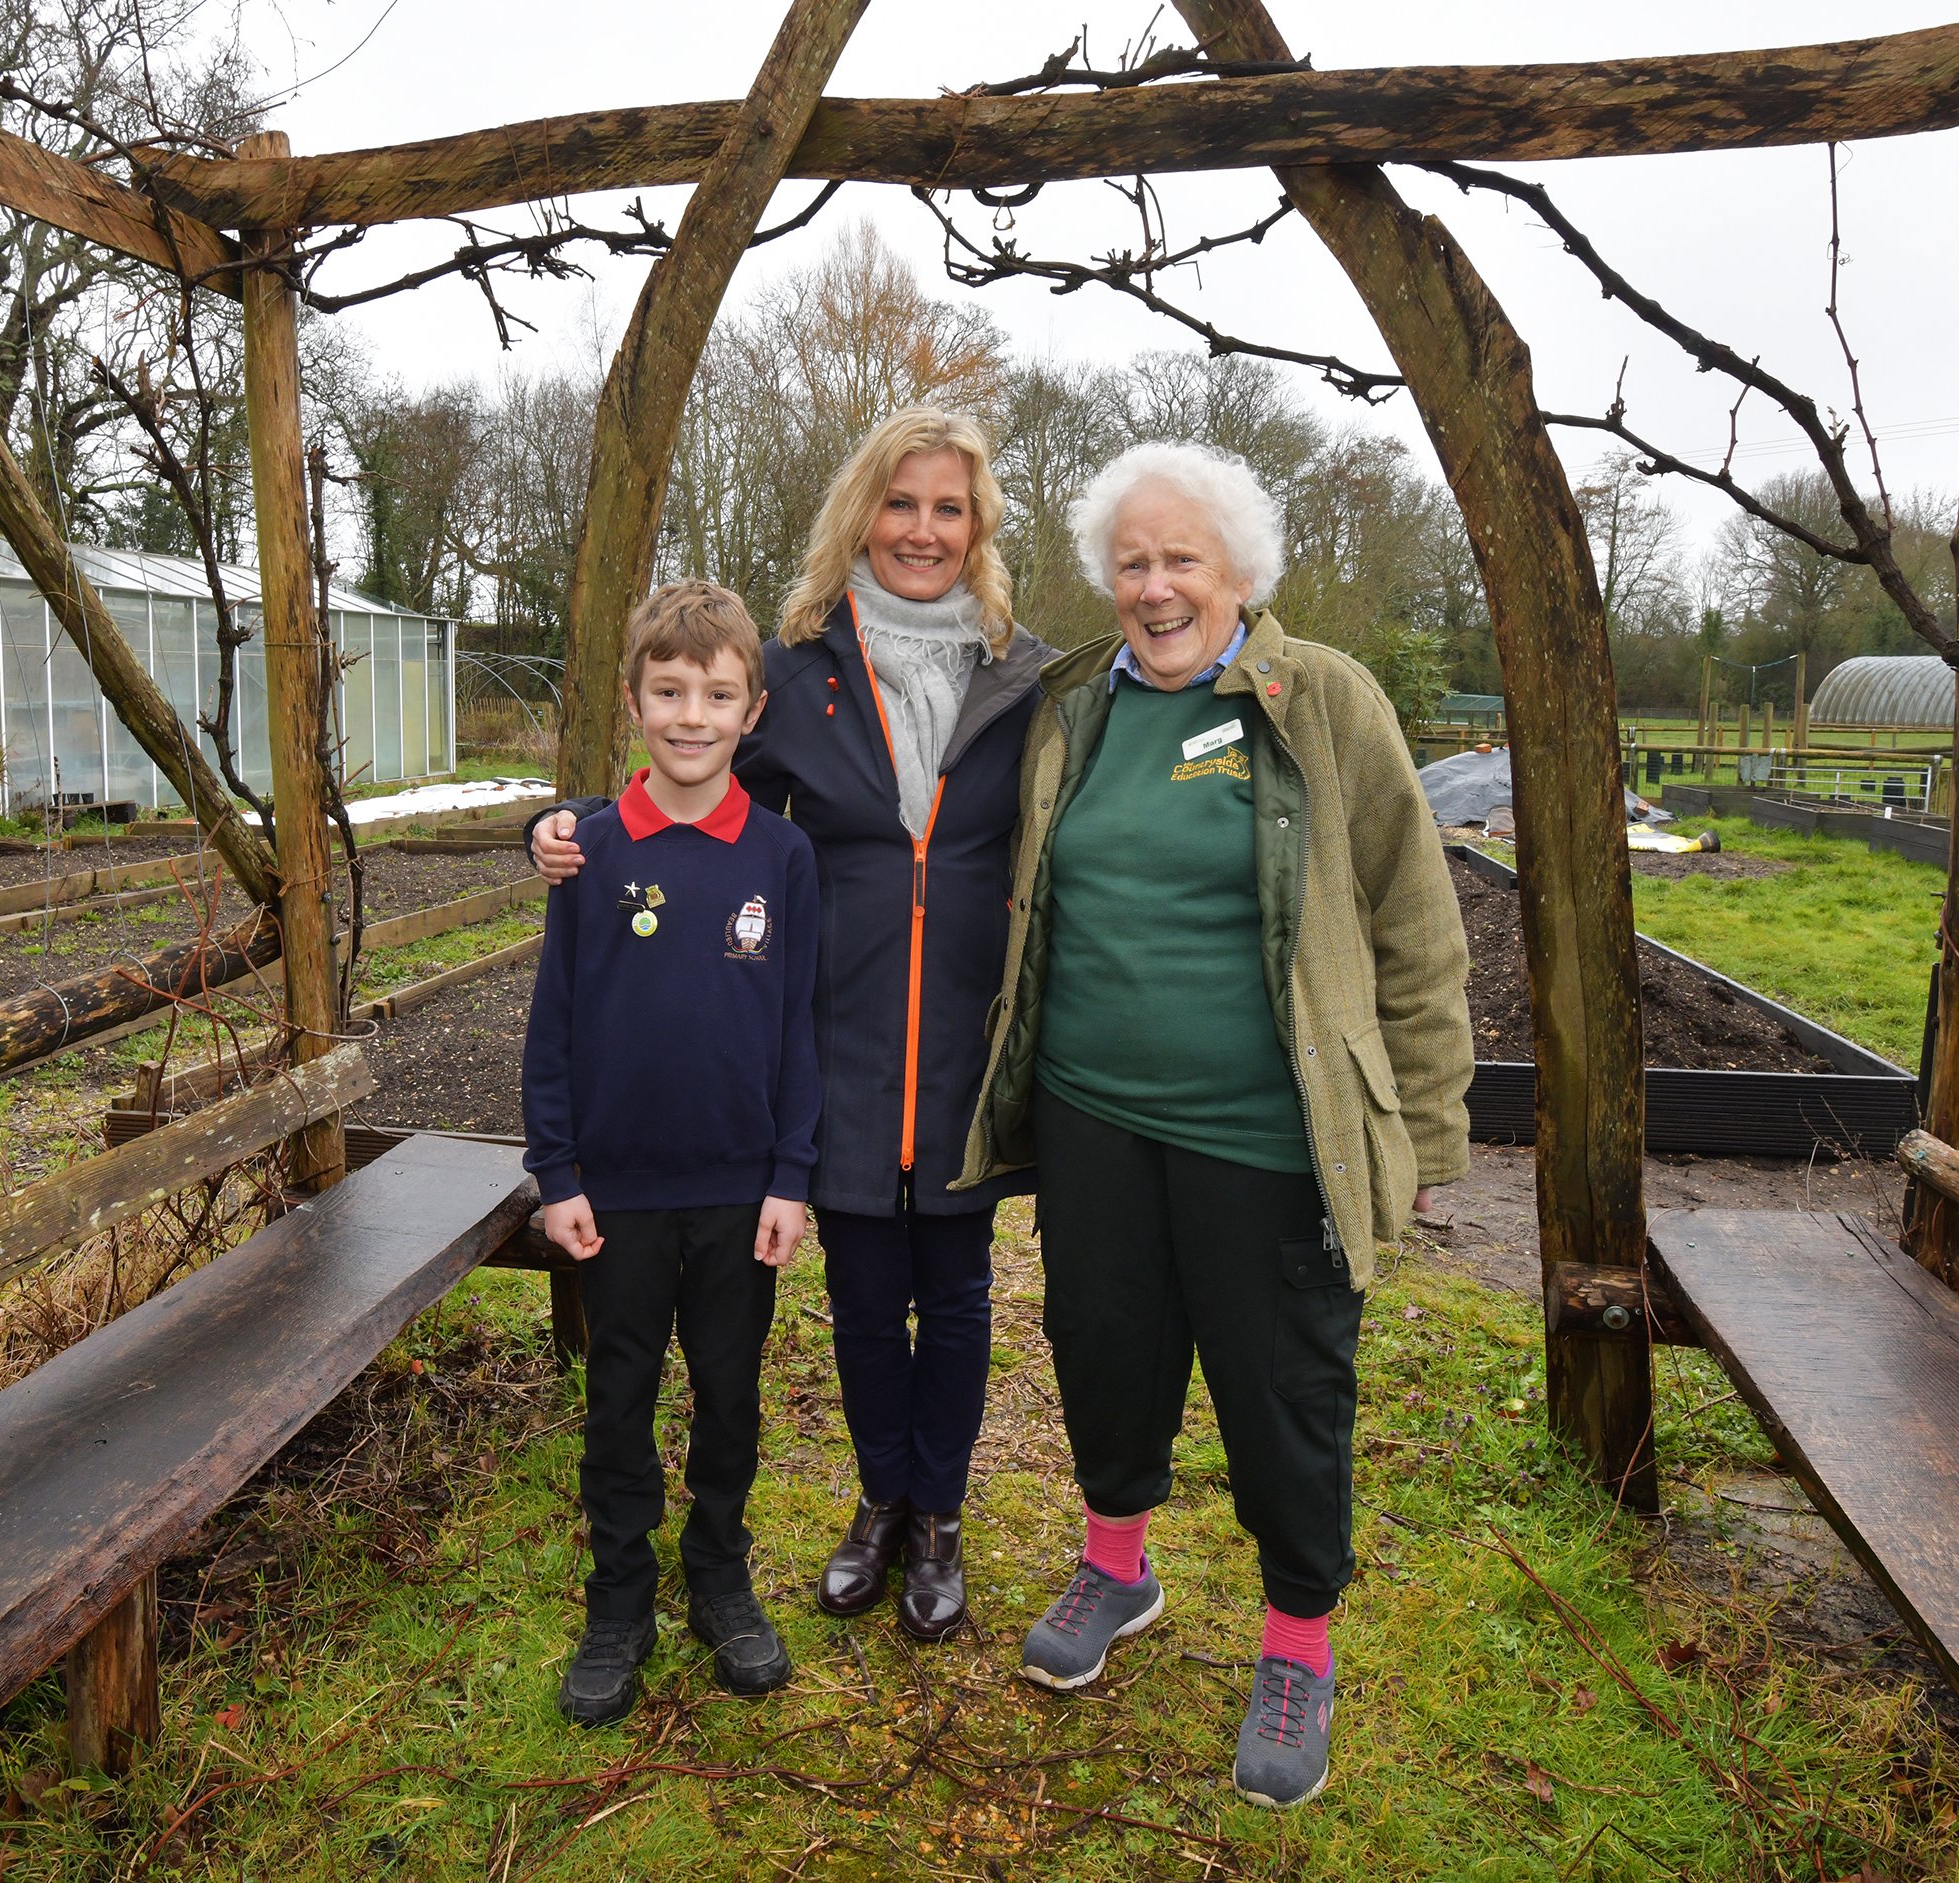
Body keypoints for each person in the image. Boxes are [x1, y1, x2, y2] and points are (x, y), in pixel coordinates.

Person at [954, 442, 1473, 1810]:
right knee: (1103, 1344)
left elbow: (1418, 925)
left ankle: (1297, 1645)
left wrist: (1422, 1127)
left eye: (1183, 557)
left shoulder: (1324, 704)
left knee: (1282, 1386)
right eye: (1131, 560)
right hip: (1093, 1118)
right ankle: (1116, 1565)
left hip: (1270, 1131)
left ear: (1243, 570)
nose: (1156, 584)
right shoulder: (1075, 706)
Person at [525, 408, 1050, 1641]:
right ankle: (879, 1497)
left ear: (977, 529)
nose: (921, 529)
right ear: (859, 512)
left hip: (967, 1037)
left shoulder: (1026, 674)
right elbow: (686, 781)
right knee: (866, 1295)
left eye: (948, 507)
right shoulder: (801, 670)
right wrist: (562, 824)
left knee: (958, 1294)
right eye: (899, 502)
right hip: (844, 1032)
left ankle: (940, 1516)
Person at [522, 581, 821, 1726]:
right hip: (619, 1197)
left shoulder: (781, 857)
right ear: (634, 700)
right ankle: (619, 1598)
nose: (691, 714)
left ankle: (720, 1575)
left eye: (718, 693)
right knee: (619, 1395)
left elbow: (797, 1029)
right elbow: (553, 1025)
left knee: (731, 1396)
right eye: (668, 690)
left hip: (739, 1193)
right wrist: (559, 1173)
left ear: (751, 710)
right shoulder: (586, 852)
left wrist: (790, 1176)